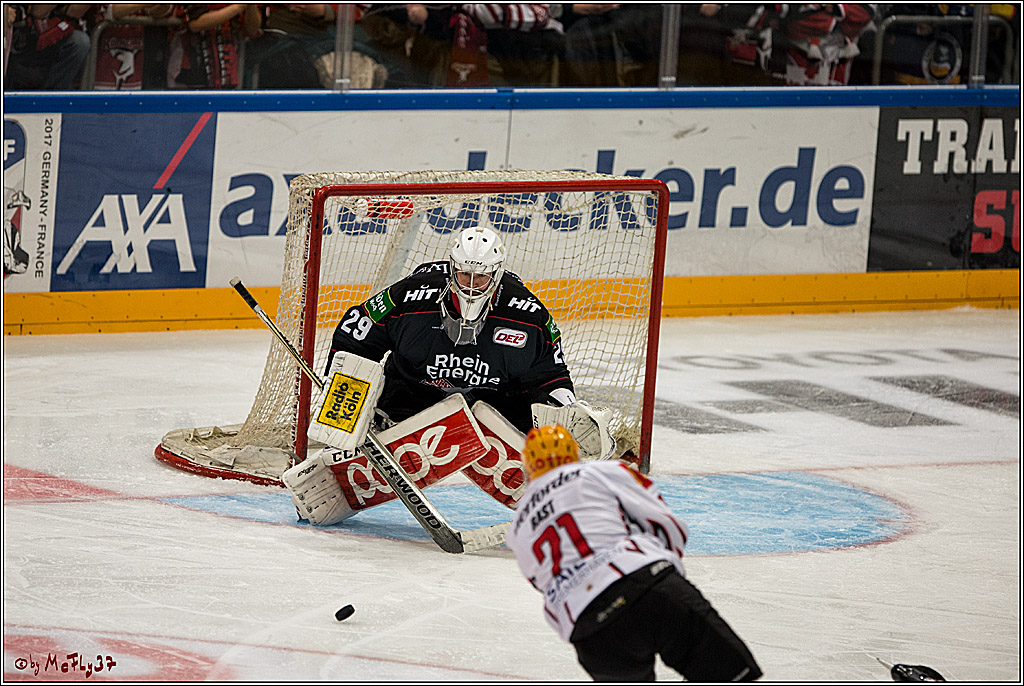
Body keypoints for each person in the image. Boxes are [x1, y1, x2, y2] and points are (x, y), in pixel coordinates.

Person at [505, 425, 763, 682]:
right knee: (732, 677)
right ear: (574, 453)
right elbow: (665, 524)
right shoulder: (600, 470)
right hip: (646, 584)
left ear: (528, 467)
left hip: (587, 625)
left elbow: (541, 581)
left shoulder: (517, 529)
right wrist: (664, 571)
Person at [326, 225, 577, 435]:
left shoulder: (527, 314)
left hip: (493, 404)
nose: (471, 285)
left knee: (535, 412)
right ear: (452, 268)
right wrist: (341, 404)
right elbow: (355, 339)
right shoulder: (409, 296)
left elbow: (550, 374)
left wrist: (569, 410)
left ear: (497, 273)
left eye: (481, 276)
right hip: (413, 394)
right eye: (465, 274)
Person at [4, 4, 91, 90]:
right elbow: (38, 11)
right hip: (22, 35)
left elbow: (74, 12)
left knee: (80, 41)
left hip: (56, 33)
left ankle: (53, 98)